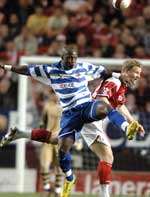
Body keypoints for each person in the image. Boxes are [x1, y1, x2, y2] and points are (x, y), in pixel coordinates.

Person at [0, 46, 143, 197]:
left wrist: (132, 119)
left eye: (74, 58)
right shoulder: (51, 71)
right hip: (84, 116)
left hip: (86, 111)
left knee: (56, 139)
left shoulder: (89, 70)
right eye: (136, 73)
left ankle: (20, 133)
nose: (138, 76)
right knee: (104, 154)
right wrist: (6, 67)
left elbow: (108, 82)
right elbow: (27, 69)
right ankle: (89, 186)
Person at [39, 88, 63, 197]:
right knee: (45, 165)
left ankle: (58, 190)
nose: (55, 96)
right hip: (48, 139)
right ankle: (47, 189)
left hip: (60, 141)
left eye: (56, 94)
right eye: (53, 93)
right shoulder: (47, 106)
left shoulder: (65, 106)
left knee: (59, 166)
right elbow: (42, 123)